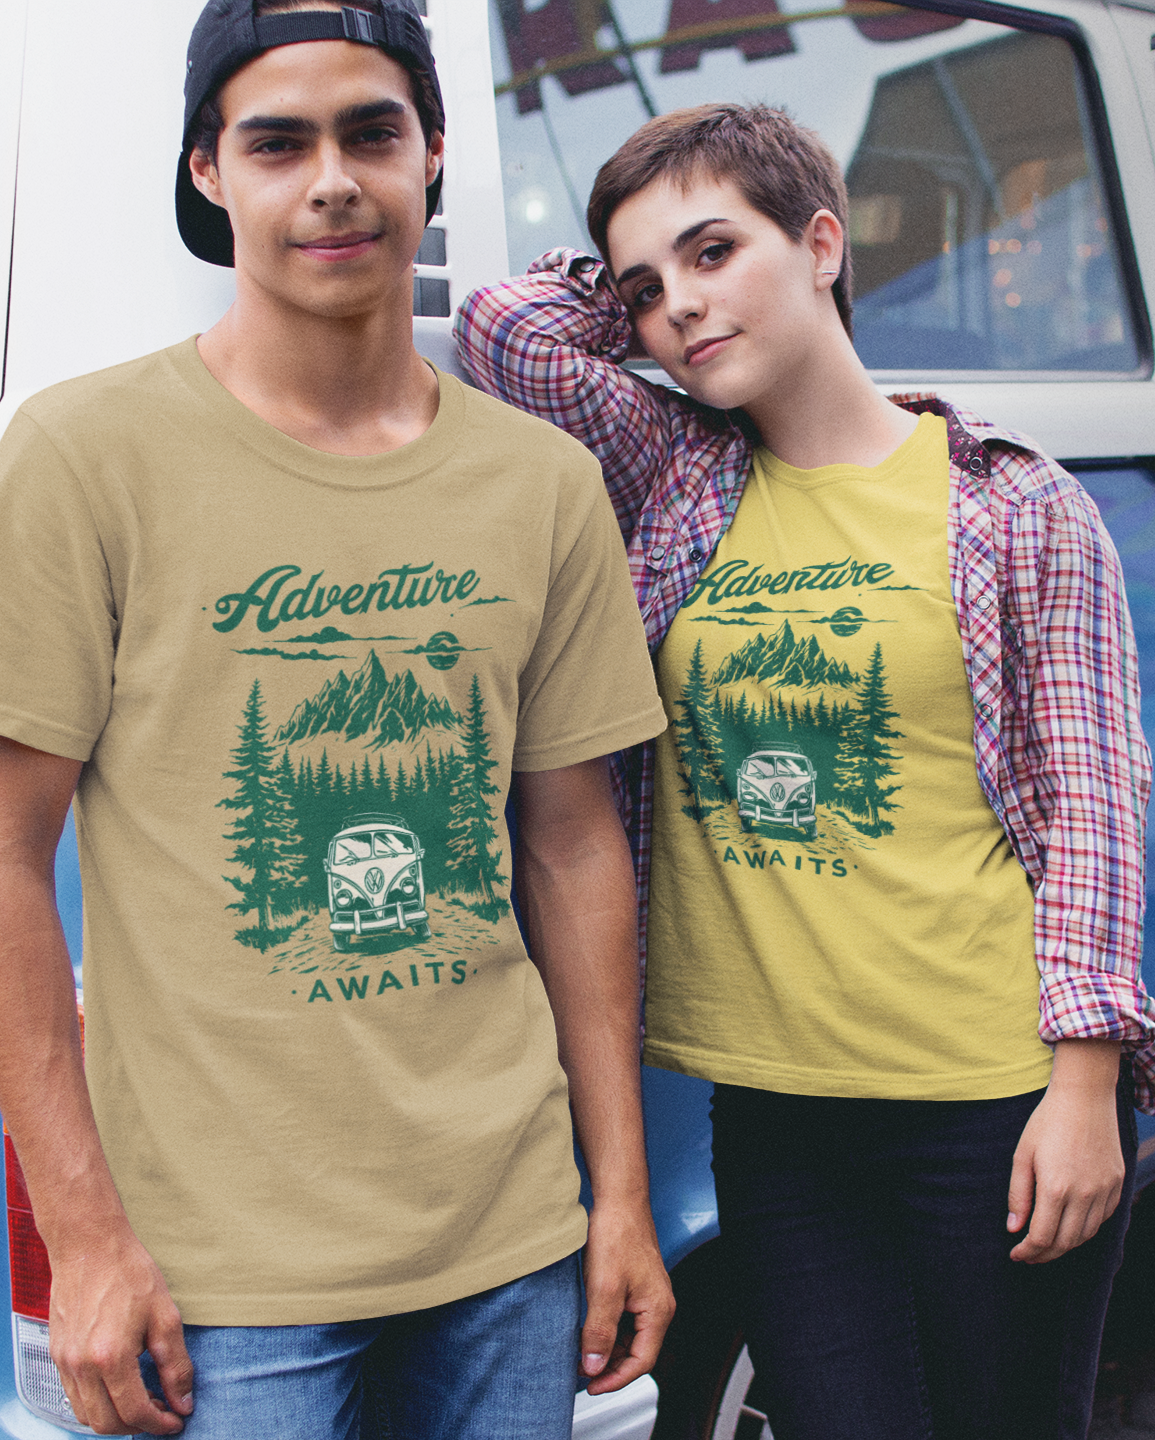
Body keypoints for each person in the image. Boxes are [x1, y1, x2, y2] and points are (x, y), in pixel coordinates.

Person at [454, 103, 1155, 1440]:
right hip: (779, 1116)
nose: (681, 309)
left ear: (824, 243)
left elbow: (1098, 803)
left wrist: (1085, 1088)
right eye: (649, 290)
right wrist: (630, 269)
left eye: (716, 252)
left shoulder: (1011, 500)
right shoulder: (677, 476)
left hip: (988, 1102)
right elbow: (502, 333)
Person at [0, 1, 675, 1436]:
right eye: (277, 140)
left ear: (432, 155)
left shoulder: (542, 483)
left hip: (507, 1243)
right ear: (208, 174)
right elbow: (4, 855)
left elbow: (571, 848)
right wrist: (84, 1235)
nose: (332, 180)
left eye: (372, 132)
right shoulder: (80, 454)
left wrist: (617, 1195)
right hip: (218, 1271)